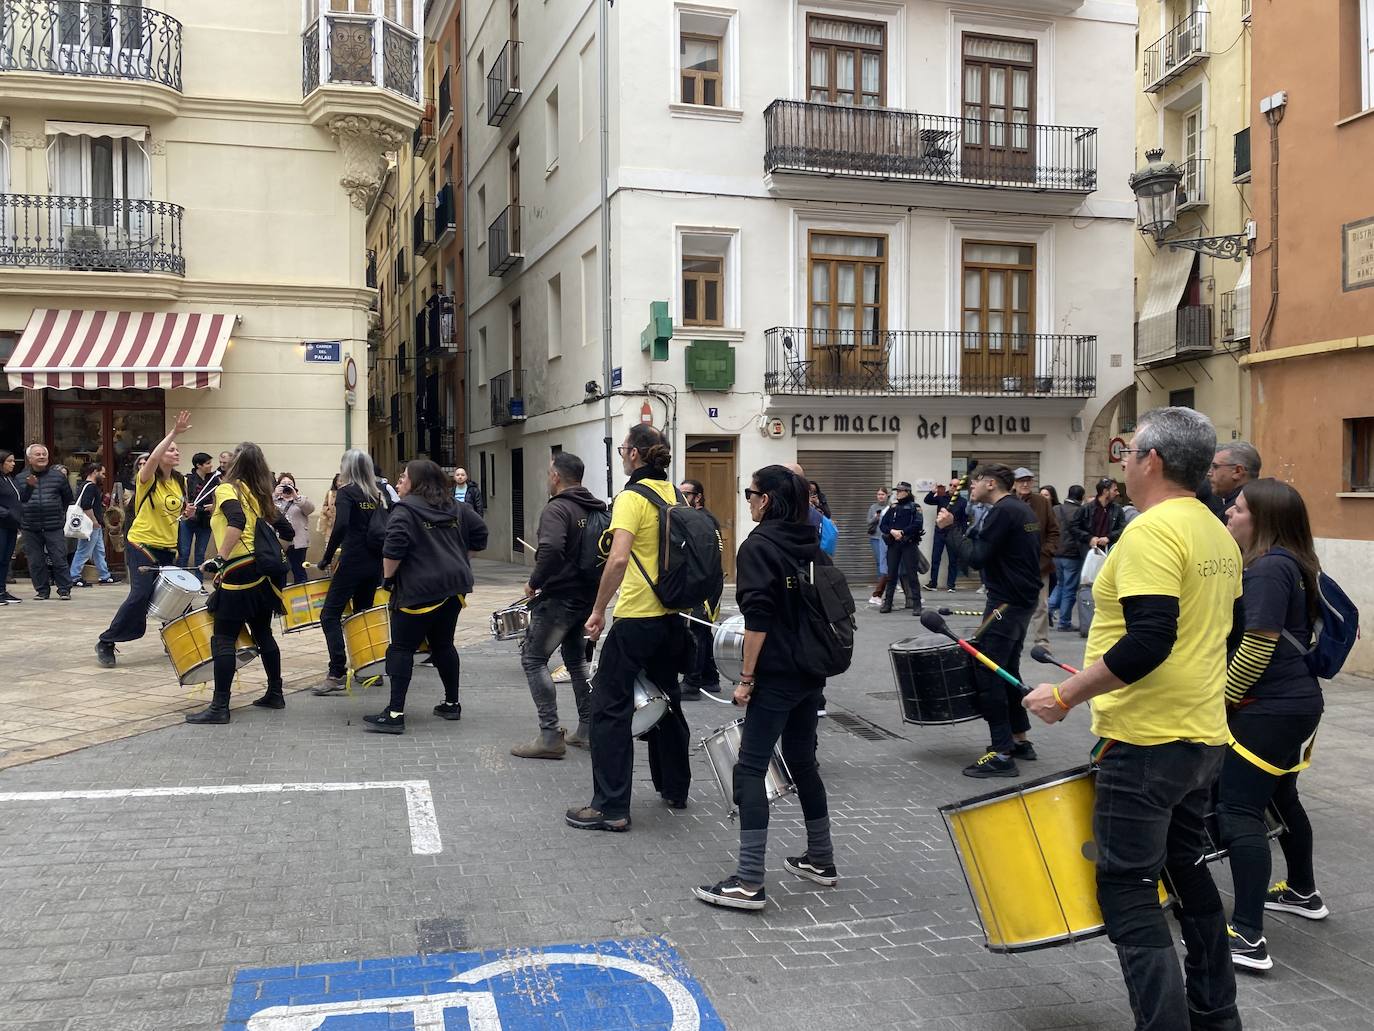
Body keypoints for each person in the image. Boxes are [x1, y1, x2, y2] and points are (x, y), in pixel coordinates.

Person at [1023, 406, 1242, 1031]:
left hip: (1146, 743)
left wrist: (1065, 697)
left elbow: (1149, 640)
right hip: (1199, 738)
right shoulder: (1215, 531)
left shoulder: (1152, 531)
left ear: (1152, 460)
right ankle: (1217, 1016)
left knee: (1126, 891)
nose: (1121, 463)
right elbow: (1231, 632)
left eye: (1128, 453)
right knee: (1188, 871)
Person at [694, 466, 836, 911]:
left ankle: (749, 881)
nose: (748, 500)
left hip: (775, 675)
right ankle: (821, 859)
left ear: (768, 500)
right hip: (811, 672)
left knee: (750, 769)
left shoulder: (758, 547)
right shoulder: (810, 543)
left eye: (752, 493)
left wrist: (746, 679)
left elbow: (758, 620)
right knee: (803, 762)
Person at [1217, 479, 1328, 972]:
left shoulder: (1266, 569)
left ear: (1261, 519)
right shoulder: (1295, 562)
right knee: (1282, 797)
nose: (1228, 513)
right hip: (1298, 703)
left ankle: (1246, 935)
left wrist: (1221, 699)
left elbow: (1259, 644)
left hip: (1270, 707)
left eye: (1237, 509)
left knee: (1238, 809)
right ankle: (1303, 890)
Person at [568, 424, 691, 832]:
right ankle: (675, 786)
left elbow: (618, 560)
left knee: (607, 709)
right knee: (668, 696)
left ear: (635, 455)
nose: (622, 454)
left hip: (637, 617)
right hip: (671, 617)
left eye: (623, 449)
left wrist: (598, 610)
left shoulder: (631, 498)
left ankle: (611, 807)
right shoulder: (673, 493)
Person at [364, 459, 487, 734]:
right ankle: (452, 704)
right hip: (454, 588)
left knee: (400, 648)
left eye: (404, 477)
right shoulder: (457, 507)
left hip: (417, 590)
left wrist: (388, 579)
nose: (400, 481)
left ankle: (395, 713)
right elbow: (480, 534)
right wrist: (459, 558)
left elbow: (392, 551)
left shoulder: (404, 510)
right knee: (443, 644)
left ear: (416, 482)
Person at [937, 464, 1041, 777]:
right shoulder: (1020, 510)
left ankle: (1001, 752)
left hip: (1005, 603)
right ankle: (1019, 739)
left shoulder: (1003, 511)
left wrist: (949, 529)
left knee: (988, 670)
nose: (971, 488)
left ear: (990, 483)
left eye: (975, 482)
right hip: (1019, 601)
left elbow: (976, 556)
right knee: (1007, 669)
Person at [511, 454, 608, 758]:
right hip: (587, 596)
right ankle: (588, 729)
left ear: (555, 476)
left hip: (559, 597)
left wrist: (535, 581)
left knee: (533, 658)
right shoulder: (597, 508)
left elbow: (551, 548)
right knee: (576, 660)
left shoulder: (558, 508)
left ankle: (550, 736)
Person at [186, 442, 291, 724]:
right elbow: (288, 532)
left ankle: (220, 707)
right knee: (263, 633)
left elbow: (236, 520)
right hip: (261, 572)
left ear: (233, 464)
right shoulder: (257, 494)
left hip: (238, 570)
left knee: (223, 638)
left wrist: (219, 559)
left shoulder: (226, 489)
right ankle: (275, 693)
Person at [96, 415, 192, 666]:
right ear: (158, 455)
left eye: (177, 450)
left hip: (167, 547)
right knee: (141, 595)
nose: (176, 452)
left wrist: (186, 513)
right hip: (143, 543)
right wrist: (173, 433)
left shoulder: (180, 481)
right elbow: (151, 460)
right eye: (171, 450)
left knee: (176, 596)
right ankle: (107, 641)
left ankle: (175, 639)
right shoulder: (147, 477)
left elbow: (173, 511)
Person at [312, 451, 386, 696]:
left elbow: (341, 525)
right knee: (362, 614)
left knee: (329, 615)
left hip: (352, 560)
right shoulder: (376, 493)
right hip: (374, 562)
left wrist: (326, 558)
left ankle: (336, 671)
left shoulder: (346, 492)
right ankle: (370, 668)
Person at [677, 477, 723, 700]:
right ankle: (710, 677)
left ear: (698, 497)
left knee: (695, 629)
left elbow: (705, 557)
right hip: (706, 581)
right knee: (703, 629)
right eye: (681, 493)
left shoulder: (702, 520)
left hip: (705, 583)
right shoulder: (701, 518)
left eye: (687, 493)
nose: (682, 497)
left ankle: (692, 683)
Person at [18, 444, 75, 601]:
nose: (42, 457)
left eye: (44, 454)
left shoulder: (58, 477)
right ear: (30, 459)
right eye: (38, 454)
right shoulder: (21, 478)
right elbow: (20, 500)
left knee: (59, 558)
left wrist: (59, 514)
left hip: (54, 525)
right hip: (30, 526)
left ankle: (64, 589)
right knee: (35, 561)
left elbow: (67, 499)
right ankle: (42, 590)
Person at [1014, 468, 1060, 654]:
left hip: (1040, 564)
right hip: (1014, 565)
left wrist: (1046, 552)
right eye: (1021, 481)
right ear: (1014, 483)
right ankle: (1014, 639)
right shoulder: (1007, 502)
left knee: (1041, 605)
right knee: (1014, 604)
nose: (1025, 484)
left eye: (1028, 480)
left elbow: (1054, 531)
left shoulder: (1042, 502)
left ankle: (1042, 641)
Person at [69, 462, 119, 587]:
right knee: (84, 551)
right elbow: (86, 505)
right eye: (102, 473)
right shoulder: (91, 487)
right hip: (91, 525)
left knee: (98, 551)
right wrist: (94, 521)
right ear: (95, 472)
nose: (104, 476)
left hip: (91, 524)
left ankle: (104, 575)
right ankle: (74, 576)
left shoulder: (85, 486)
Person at [877, 482, 921, 614]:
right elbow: (883, 525)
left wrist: (902, 532)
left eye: (900, 491)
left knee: (912, 575)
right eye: (897, 491)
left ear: (907, 492)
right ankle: (887, 604)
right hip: (894, 544)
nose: (898, 493)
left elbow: (918, 524)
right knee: (891, 575)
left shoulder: (915, 507)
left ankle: (917, 605)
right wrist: (892, 531)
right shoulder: (893, 507)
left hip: (909, 544)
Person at [1050, 484, 1085, 631]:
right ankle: (1064, 622)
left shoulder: (1055, 509)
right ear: (1081, 497)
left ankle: (1048, 609)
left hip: (1056, 553)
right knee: (1069, 589)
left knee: (1060, 584)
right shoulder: (1080, 512)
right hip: (1072, 554)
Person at [1071, 478, 1127, 566]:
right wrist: (1089, 538)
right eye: (1115, 490)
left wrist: (1109, 537)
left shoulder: (1117, 509)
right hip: (1089, 554)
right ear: (1105, 491)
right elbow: (1074, 527)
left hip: (1109, 554)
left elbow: (1123, 528)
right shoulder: (1085, 509)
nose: (1117, 493)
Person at [177, 452, 217, 572]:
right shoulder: (188, 479)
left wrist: (214, 506)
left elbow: (217, 497)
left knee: (200, 554)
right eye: (207, 463)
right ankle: (181, 581)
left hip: (205, 521)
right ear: (198, 465)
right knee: (184, 552)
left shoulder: (214, 480)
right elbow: (183, 498)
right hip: (189, 519)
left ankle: (199, 583)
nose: (211, 466)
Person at [273, 473, 315, 585]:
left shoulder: (301, 500)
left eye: (290, 484)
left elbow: (310, 509)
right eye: (283, 484)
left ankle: (301, 598)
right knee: (280, 572)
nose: (287, 486)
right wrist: (274, 495)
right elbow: (263, 511)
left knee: (299, 570)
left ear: (294, 486)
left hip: (298, 543)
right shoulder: (274, 501)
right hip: (279, 542)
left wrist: (295, 496)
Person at [924, 479, 965, 593]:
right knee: (935, 557)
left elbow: (963, 519)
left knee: (953, 560)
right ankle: (933, 583)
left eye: (955, 485)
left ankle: (951, 585)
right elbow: (928, 500)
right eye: (951, 485)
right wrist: (932, 491)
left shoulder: (962, 501)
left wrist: (962, 533)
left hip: (953, 534)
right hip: (940, 532)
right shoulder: (942, 497)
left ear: (959, 488)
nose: (952, 487)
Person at [1207, 441, 1261, 523]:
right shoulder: (1259, 501)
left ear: (1238, 471)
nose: (1209, 473)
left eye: (1215, 467)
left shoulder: (1237, 512)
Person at [0, 451, 22, 604]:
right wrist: (6, 513)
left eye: (13, 461)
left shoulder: (10, 479)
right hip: (1, 524)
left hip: (12, 525)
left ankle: (2, 590)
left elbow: (20, 499)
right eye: (10, 461)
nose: (13, 463)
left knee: (5, 559)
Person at [865, 487, 889, 608]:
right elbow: (868, 522)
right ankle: (881, 585)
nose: (880, 496)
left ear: (887, 495)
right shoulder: (873, 507)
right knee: (880, 562)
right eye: (879, 494)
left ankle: (884, 586)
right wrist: (876, 518)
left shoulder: (890, 507)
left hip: (887, 538)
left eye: (883, 494)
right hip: (875, 538)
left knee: (887, 563)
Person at [809, 485, 837, 557]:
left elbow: (828, 514)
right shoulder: (802, 501)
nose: (812, 494)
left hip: (820, 532)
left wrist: (818, 504)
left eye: (814, 492)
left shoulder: (821, 498)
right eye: (810, 491)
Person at [318, 474, 341, 543]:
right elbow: (324, 505)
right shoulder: (330, 493)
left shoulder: (350, 493)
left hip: (344, 525)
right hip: (331, 524)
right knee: (329, 545)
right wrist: (327, 511)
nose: (341, 483)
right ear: (335, 482)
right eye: (339, 481)